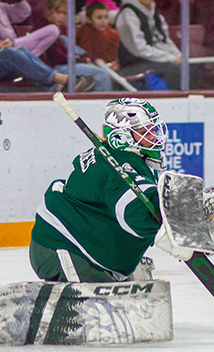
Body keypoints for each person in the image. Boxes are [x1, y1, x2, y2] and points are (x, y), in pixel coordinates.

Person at [30, 97, 169, 283]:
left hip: (66, 244)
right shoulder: (117, 163)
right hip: (65, 246)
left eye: (153, 129)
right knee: (92, 309)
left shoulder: (119, 156)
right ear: (121, 135)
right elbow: (135, 214)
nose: (152, 136)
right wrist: (173, 218)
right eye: (144, 131)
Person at [114, 0, 190, 90]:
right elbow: (140, 49)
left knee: (191, 67)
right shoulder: (128, 14)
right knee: (174, 71)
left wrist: (179, 57)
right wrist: (171, 59)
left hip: (153, 61)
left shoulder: (154, 13)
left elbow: (165, 41)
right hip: (133, 64)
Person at [76, 0, 120, 71]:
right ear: (88, 20)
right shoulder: (83, 33)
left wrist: (116, 63)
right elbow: (84, 56)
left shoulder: (113, 34)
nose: (103, 21)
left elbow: (116, 56)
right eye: (99, 18)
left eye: (106, 17)